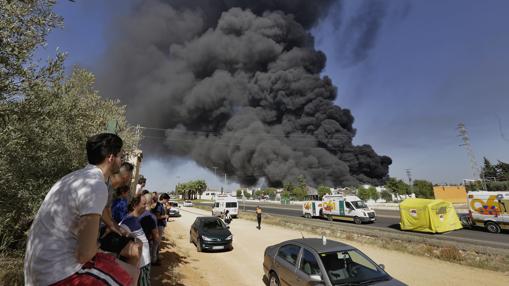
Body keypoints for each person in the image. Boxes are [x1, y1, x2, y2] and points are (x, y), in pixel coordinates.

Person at [24, 133, 138, 286]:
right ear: (111, 157)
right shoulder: (96, 185)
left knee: (132, 271)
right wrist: (97, 247)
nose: (122, 160)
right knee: (130, 277)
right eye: (120, 156)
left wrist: (109, 228)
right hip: (58, 274)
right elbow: (84, 254)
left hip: (37, 269)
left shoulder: (73, 177)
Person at [120, 195, 152, 286]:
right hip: (141, 265)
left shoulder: (134, 219)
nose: (145, 207)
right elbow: (121, 235)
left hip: (144, 263)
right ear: (134, 205)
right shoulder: (127, 222)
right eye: (143, 204)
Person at [102, 162, 134, 236]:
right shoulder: (105, 185)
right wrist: (116, 228)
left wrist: (119, 229)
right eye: (131, 176)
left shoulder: (111, 188)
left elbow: (109, 215)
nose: (131, 179)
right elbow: (102, 212)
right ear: (126, 176)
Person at [139, 193, 160, 265]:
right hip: (145, 245)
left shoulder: (136, 212)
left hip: (133, 244)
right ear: (151, 202)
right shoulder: (151, 217)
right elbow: (156, 237)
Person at [151, 193, 169, 264]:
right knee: (156, 243)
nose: (167, 201)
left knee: (157, 243)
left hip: (160, 225)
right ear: (164, 199)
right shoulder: (159, 206)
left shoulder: (161, 205)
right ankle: (153, 259)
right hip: (159, 226)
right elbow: (157, 216)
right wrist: (165, 216)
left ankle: (156, 256)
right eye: (167, 200)